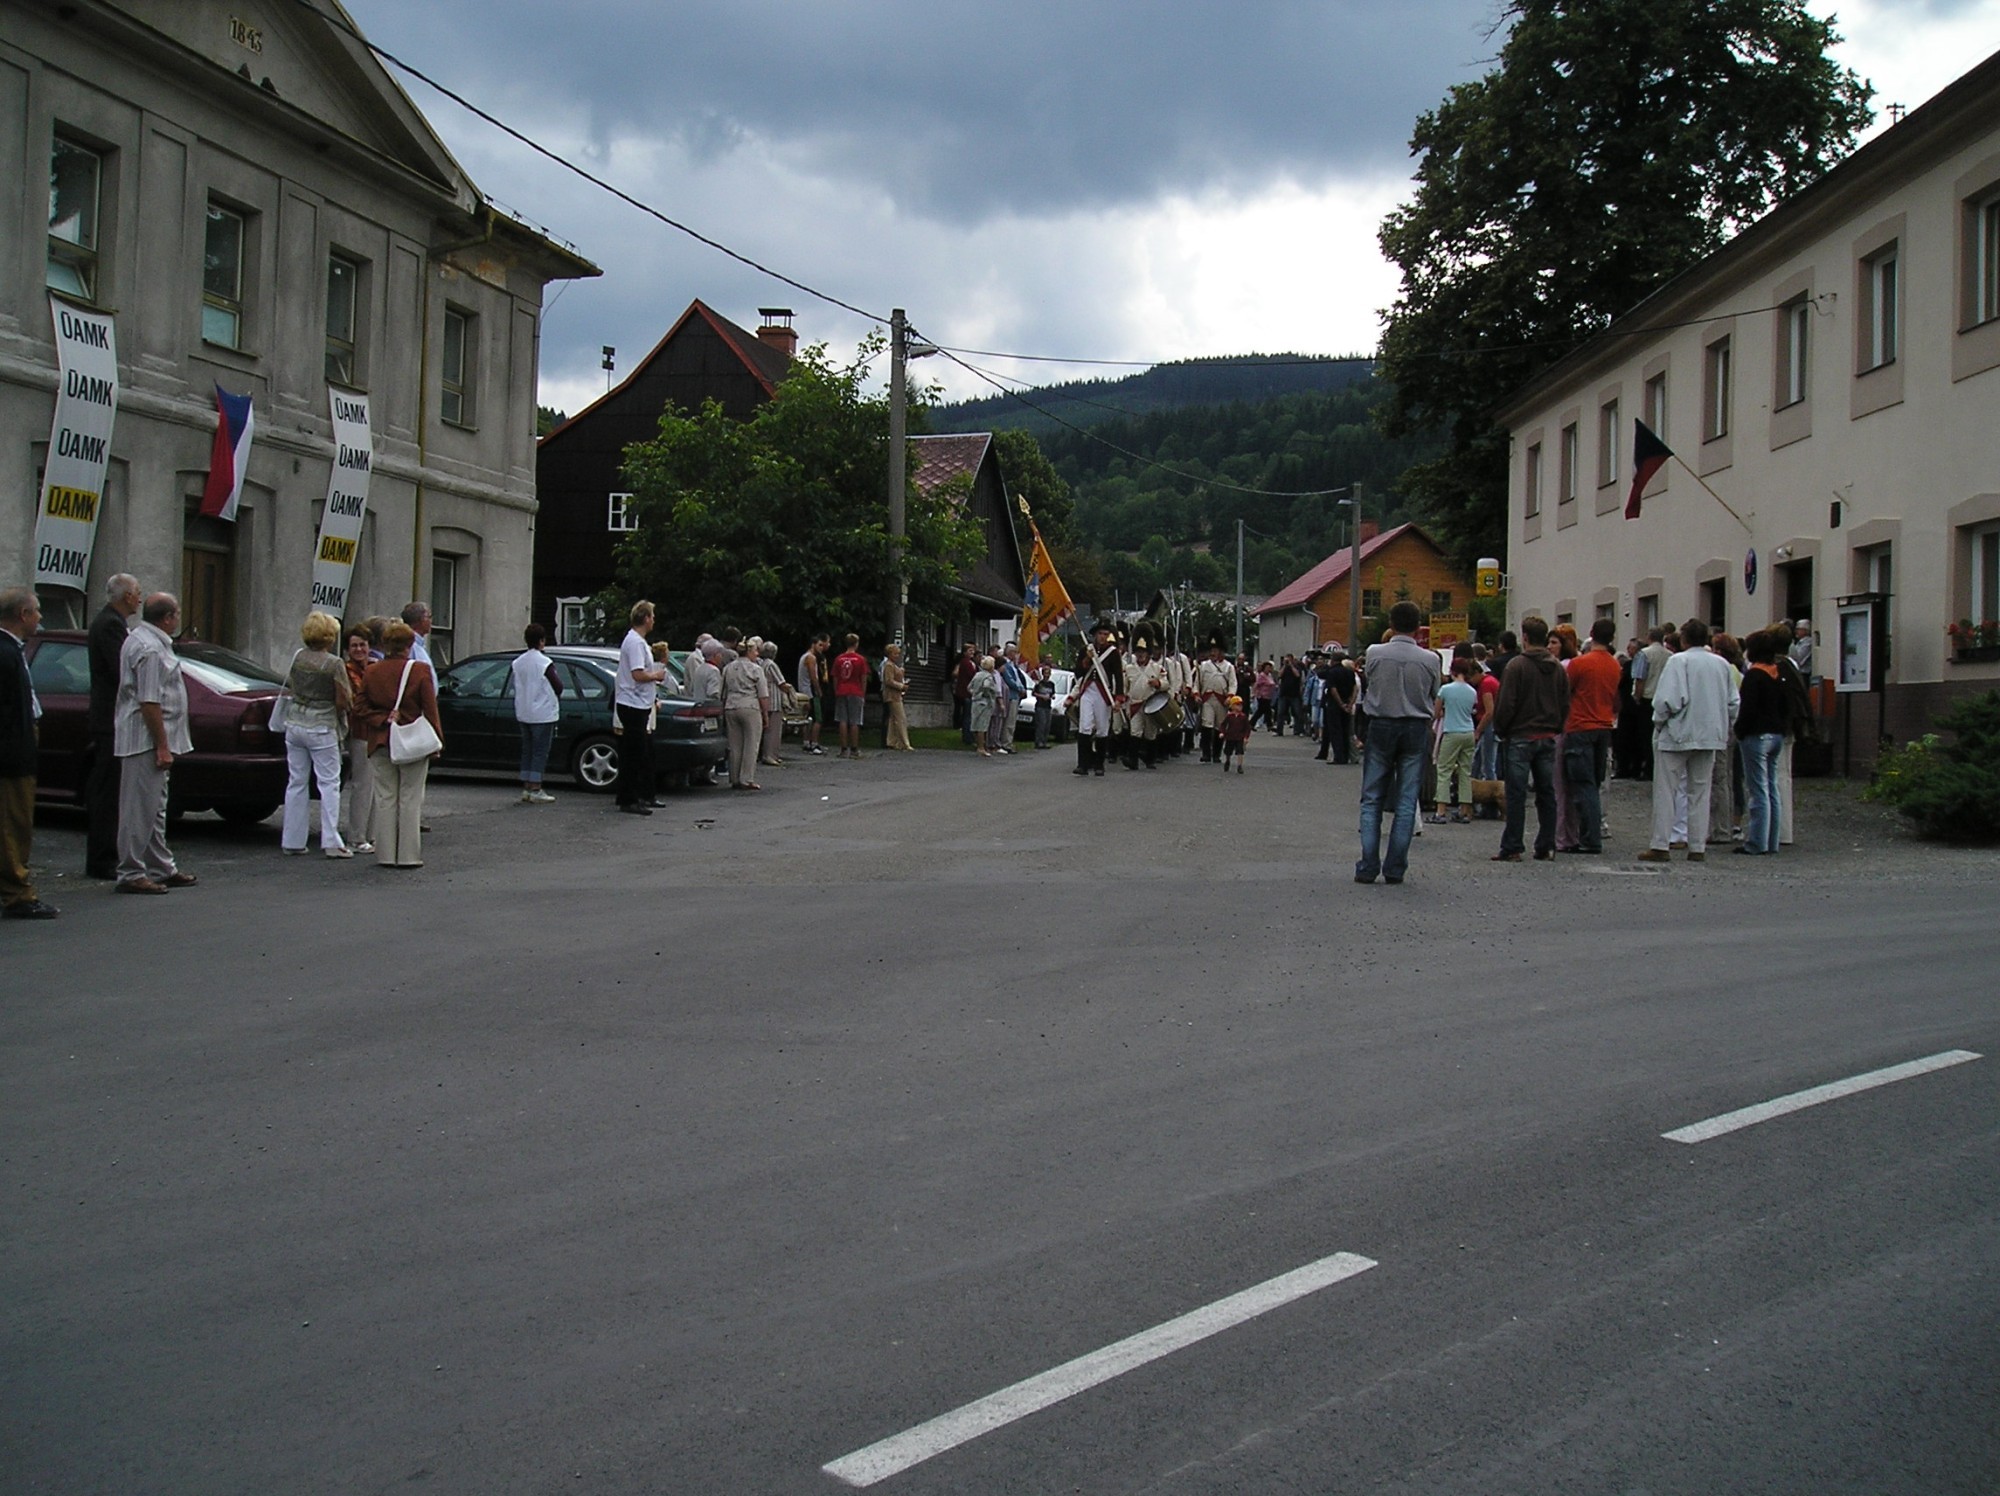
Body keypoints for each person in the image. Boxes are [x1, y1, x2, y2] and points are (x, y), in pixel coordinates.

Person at [114, 592, 197, 894]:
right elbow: (149, 701)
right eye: (176, 615)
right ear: (167, 618)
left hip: (151, 738)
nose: (177, 620)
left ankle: (161, 866)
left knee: (154, 807)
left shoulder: (144, 639)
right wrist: (162, 745)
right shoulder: (149, 649)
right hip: (144, 740)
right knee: (138, 809)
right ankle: (131, 872)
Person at [1354, 601, 1442, 886]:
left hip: (1381, 724)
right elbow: (1434, 692)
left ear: (1390, 624)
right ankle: (1395, 866)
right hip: (1415, 726)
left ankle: (1368, 864)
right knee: (1406, 799)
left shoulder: (1374, 653)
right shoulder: (1430, 659)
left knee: (1372, 798)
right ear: (1418, 627)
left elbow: (1370, 683)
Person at [1638, 617, 1738, 863]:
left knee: (1667, 790)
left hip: (1677, 733)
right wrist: (1723, 726)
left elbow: (1667, 700)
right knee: (1700, 792)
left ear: (1683, 639)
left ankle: (1660, 843)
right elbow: (1733, 703)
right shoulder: (1722, 665)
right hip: (1710, 734)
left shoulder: (1678, 661)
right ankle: (1697, 846)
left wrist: (1659, 722)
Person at [354, 620, 441, 868]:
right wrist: (436, 740)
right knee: (410, 798)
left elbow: (359, 707)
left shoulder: (372, 671)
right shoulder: (420, 671)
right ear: (409, 644)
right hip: (412, 739)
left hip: (381, 739)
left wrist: (382, 718)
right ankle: (408, 855)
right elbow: (430, 709)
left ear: (384, 644)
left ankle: (385, 853)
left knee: (385, 797)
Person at [1490, 614, 1569, 863]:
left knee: (1516, 794)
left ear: (1524, 637)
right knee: (1547, 793)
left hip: (1520, 735)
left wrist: (1501, 729)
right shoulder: (1557, 668)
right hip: (1547, 734)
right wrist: (1557, 726)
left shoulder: (1517, 667)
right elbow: (1565, 702)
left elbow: (1506, 703)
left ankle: (1513, 845)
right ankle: (1547, 845)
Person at [0, 586, 57, 918]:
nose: (40, 617)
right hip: (11, 754)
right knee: (14, 825)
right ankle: (17, 893)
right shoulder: (6, 654)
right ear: (22, 615)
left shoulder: (13, 650)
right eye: (36, 611)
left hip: (16, 746)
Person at [279, 610, 355, 857]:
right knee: (329, 782)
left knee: (296, 781)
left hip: (295, 722)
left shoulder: (298, 657)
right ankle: (331, 840)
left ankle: (292, 840)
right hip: (322, 725)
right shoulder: (333, 663)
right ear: (329, 637)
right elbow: (343, 698)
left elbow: (292, 686)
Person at [85, 572, 141, 879]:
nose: (139, 599)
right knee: (107, 791)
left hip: (111, 717)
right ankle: (102, 857)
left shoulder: (113, 623)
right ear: (126, 596)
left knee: (112, 789)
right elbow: (122, 669)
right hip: (110, 718)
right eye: (137, 593)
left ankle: (109, 853)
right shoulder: (109, 625)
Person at [1560, 617, 1622, 854]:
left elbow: (1566, 692)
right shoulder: (1614, 665)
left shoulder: (1580, 663)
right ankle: (1592, 832)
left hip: (1580, 725)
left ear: (1591, 633)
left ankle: (1589, 837)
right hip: (1603, 726)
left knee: (1582, 784)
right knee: (1594, 783)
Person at [1734, 630, 1788, 855]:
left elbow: (1748, 709)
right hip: (1777, 733)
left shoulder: (1754, 675)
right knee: (1771, 787)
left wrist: (1739, 730)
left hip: (1756, 734)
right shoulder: (1777, 673)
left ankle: (1757, 841)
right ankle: (1772, 840)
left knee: (1757, 790)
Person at [614, 601, 667, 815]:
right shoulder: (635, 642)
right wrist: (656, 675)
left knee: (642, 752)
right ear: (645, 618)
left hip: (639, 703)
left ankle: (643, 794)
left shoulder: (637, 641)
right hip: (632, 703)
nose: (654, 620)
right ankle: (628, 798)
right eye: (652, 616)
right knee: (633, 754)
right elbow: (637, 674)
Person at [511, 623, 564, 804]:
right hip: (542, 712)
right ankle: (536, 787)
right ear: (542, 641)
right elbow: (558, 686)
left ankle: (527, 786)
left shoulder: (518, 662)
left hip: (523, 711)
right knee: (540, 751)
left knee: (527, 750)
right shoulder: (545, 663)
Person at [1428, 658, 1482, 825]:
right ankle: (1464, 811)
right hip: (1468, 731)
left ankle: (1441, 811)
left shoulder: (1446, 689)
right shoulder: (1472, 691)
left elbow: (1436, 712)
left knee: (1444, 770)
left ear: (1452, 671)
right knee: (1465, 771)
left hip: (1452, 731)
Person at [339, 627, 377, 853]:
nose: (359, 649)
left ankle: (372, 834)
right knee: (362, 784)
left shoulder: (374, 667)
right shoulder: (346, 671)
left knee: (375, 784)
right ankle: (356, 836)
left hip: (377, 731)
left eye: (363, 644)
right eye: (354, 645)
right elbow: (354, 702)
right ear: (347, 649)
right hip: (359, 732)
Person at [1068, 620, 1122, 776]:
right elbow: (1078, 673)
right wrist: (1086, 660)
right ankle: (1082, 764)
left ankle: (1099, 764)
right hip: (1088, 691)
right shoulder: (1086, 650)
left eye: (1105, 634)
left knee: (1102, 728)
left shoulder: (1113, 652)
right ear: (1095, 635)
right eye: (1100, 634)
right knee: (1084, 726)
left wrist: (1118, 698)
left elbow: (1118, 676)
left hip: (1103, 693)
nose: (1103, 637)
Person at [721, 643, 769, 789]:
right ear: (748, 652)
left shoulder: (728, 668)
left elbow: (723, 691)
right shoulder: (756, 669)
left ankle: (734, 777)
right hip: (750, 706)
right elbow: (763, 694)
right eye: (755, 651)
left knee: (734, 744)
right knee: (751, 743)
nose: (757, 654)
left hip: (731, 706)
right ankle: (746, 778)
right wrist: (765, 714)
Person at [1193, 641, 1236, 763]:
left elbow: (1233, 684)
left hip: (1222, 700)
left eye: (1215, 651)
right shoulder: (1203, 666)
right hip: (1207, 699)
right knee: (1207, 725)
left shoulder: (1228, 667)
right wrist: (1196, 694)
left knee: (1219, 726)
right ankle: (1206, 753)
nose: (1213, 653)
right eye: (1211, 651)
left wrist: (1230, 696)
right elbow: (1197, 682)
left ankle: (1216, 754)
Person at [831, 633, 870, 759]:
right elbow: (863, 678)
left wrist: (836, 690)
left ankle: (843, 749)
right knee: (854, 721)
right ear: (856, 644)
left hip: (841, 690)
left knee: (842, 720)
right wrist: (863, 694)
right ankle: (854, 749)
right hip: (855, 691)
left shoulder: (839, 659)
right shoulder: (860, 659)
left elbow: (835, 677)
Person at [757, 640, 790, 765]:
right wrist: (789, 691)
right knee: (774, 730)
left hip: (765, 699)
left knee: (767, 730)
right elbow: (781, 682)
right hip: (774, 701)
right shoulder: (771, 665)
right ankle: (770, 755)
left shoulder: (762, 664)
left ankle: (767, 754)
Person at [798, 634, 829, 755]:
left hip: (803, 690)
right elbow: (813, 676)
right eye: (819, 645)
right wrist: (818, 690)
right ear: (813, 645)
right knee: (817, 718)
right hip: (810, 691)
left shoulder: (804, 656)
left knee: (808, 718)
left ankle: (806, 742)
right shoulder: (811, 658)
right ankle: (814, 743)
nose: (821, 648)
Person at [883, 644, 915, 751]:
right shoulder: (889, 665)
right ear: (889, 654)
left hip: (896, 695)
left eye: (898, 654)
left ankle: (892, 741)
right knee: (901, 718)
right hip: (893, 695)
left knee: (893, 719)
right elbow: (888, 681)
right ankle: (905, 743)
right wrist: (901, 686)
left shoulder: (893, 665)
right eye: (895, 654)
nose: (897, 656)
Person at [966, 655, 999, 757]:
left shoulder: (977, 675)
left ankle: (978, 745)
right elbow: (986, 686)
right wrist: (987, 694)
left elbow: (969, 687)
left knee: (975, 725)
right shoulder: (988, 677)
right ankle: (981, 748)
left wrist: (974, 694)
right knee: (982, 726)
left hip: (975, 702)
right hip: (984, 703)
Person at [1219, 693, 1250, 773]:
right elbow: (1223, 725)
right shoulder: (1229, 716)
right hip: (1230, 736)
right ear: (1232, 706)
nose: (1240, 707)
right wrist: (1222, 732)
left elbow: (1247, 728)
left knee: (1240, 752)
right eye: (1237, 705)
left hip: (1239, 737)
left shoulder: (1243, 717)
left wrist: (1246, 737)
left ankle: (1239, 765)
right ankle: (1228, 761)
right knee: (1228, 751)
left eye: (1241, 705)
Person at [403, 601, 435, 672]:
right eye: (429, 617)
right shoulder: (410, 645)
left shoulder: (419, 645)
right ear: (418, 620)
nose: (431, 621)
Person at [1029, 662, 1056, 749]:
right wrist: (1042, 696)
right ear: (1043, 674)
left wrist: (1052, 696)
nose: (1047, 675)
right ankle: (1038, 742)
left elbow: (1052, 694)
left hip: (1048, 706)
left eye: (1048, 673)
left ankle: (1044, 741)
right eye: (1045, 673)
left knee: (1047, 725)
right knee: (1041, 724)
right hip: (1040, 706)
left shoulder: (1051, 684)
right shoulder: (1039, 684)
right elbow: (1033, 693)